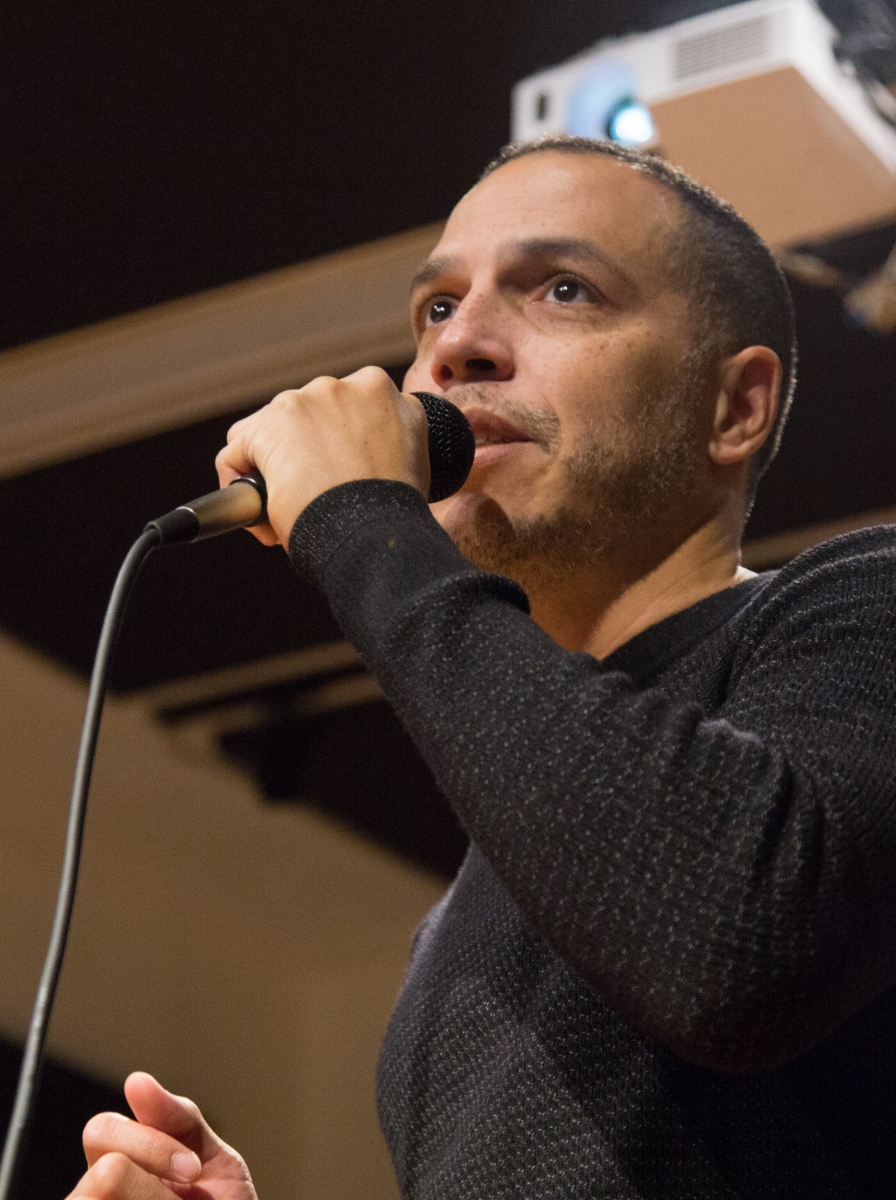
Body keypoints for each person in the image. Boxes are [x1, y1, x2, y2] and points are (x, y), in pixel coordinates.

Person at [66, 136, 896, 1198]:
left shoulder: (861, 610)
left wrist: (361, 523)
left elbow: (738, 941)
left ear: (734, 407)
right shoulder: (458, 931)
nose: (457, 348)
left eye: (563, 289)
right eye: (437, 309)